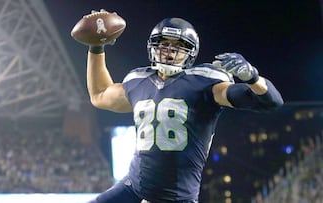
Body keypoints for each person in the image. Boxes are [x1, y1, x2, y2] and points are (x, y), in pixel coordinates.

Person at [85, 16, 283, 203]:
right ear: (153, 46)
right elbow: (100, 95)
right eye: (164, 44)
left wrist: (253, 78)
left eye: (178, 47)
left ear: (190, 52)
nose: (169, 51)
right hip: (133, 187)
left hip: (176, 197)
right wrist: (96, 47)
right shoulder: (138, 81)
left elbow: (270, 101)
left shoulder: (204, 82)